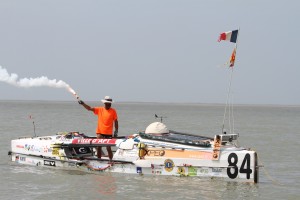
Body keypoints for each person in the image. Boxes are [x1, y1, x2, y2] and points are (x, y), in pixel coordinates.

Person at [78, 96, 118, 162]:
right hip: (100, 132)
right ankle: (99, 160)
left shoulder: (113, 111)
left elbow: (116, 121)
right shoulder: (100, 109)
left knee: (108, 148)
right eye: (108, 103)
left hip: (109, 133)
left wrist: (116, 131)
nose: (109, 105)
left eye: (110, 104)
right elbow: (89, 108)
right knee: (99, 147)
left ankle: (111, 161)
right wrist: (83, 104)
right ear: (105, 103)